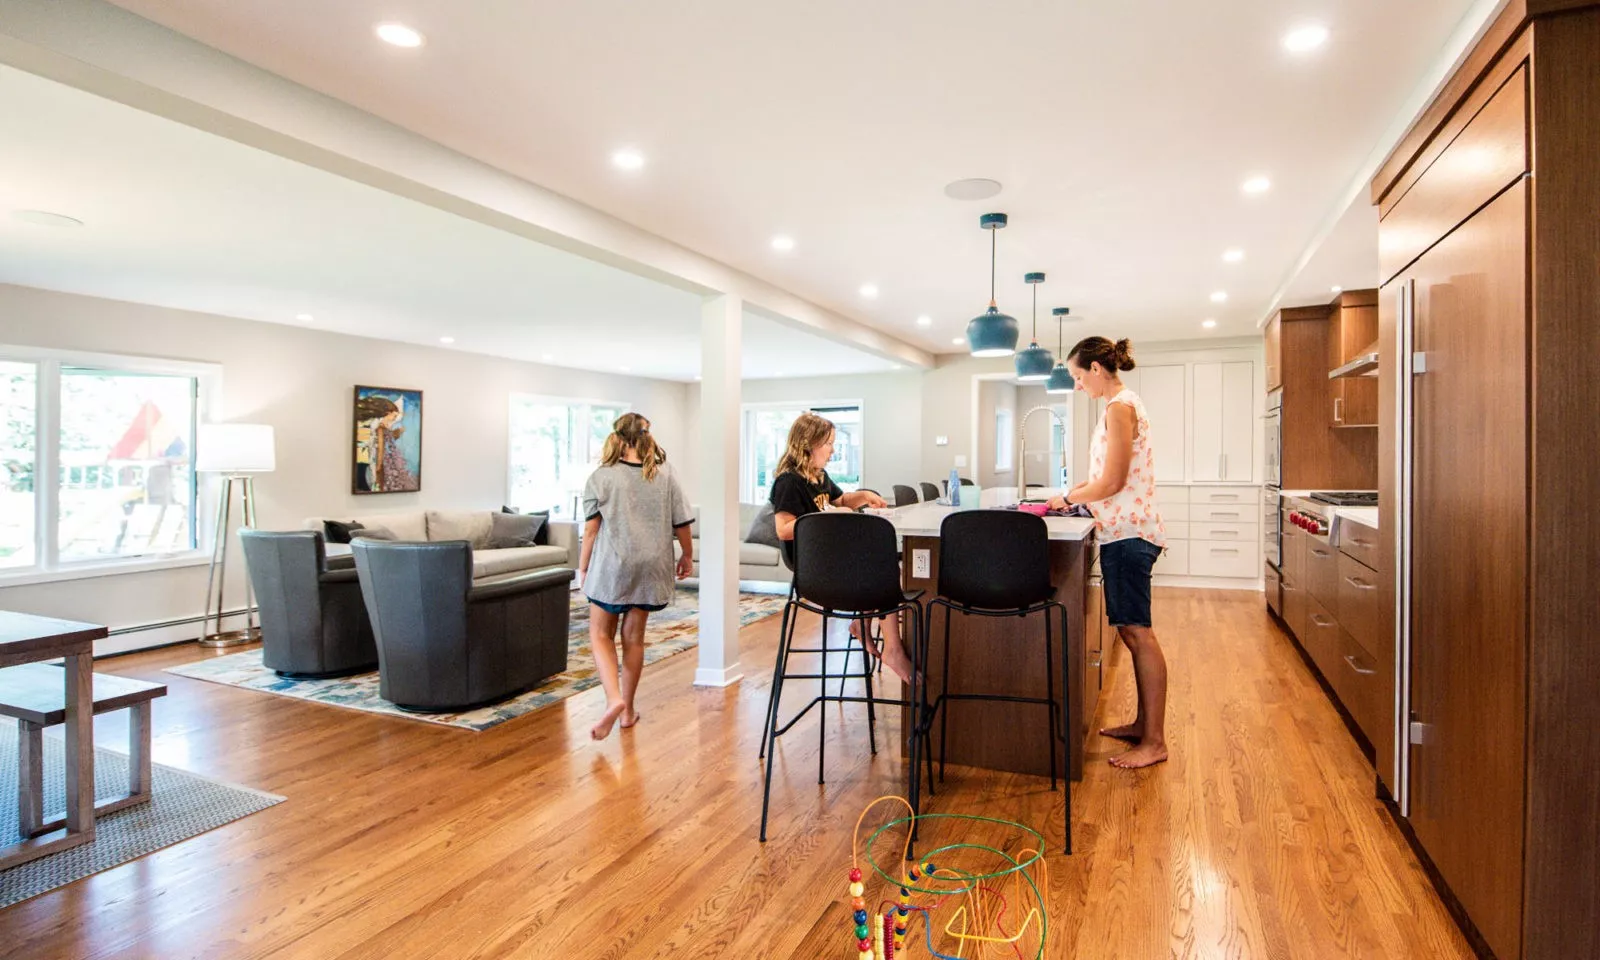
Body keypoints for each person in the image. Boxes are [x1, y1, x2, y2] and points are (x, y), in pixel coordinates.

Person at [1047, 337, 1170, 769]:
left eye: (1079, 377)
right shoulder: (1119, 407)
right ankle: (1143, 725)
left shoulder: (1120, 408)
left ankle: (1154, 741)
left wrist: (1066, 499)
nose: (1079, 387)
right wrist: (1073, 492)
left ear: (1097, 369)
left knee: (1139, 633)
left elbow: (1113, 481)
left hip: (1129, 534)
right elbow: (1102, 477)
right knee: (1130, 631)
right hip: (1123, 530)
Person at [769, 412, 915, 684]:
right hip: (813, 567)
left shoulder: (819, 476)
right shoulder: (789, 482)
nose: (833, 449)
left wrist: (864, 496)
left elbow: (840, 499)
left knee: (882, 562)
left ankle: (865, 624)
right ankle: (892, 649)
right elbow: (783, 529)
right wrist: (824, 520)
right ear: (808, 444)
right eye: (828, 443)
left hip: (831, 557)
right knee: (881, 567)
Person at [578, 413, 695, 741]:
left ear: (616, 438)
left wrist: (583, 568)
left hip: (612, 567)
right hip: (650, 567)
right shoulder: (665, 473)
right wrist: (686, 554)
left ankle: (613, 698)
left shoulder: (601, 477)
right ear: (647, 438)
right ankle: (628, 711)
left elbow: (590, 531)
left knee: (600, 634)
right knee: (634, 639)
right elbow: (682, 522)